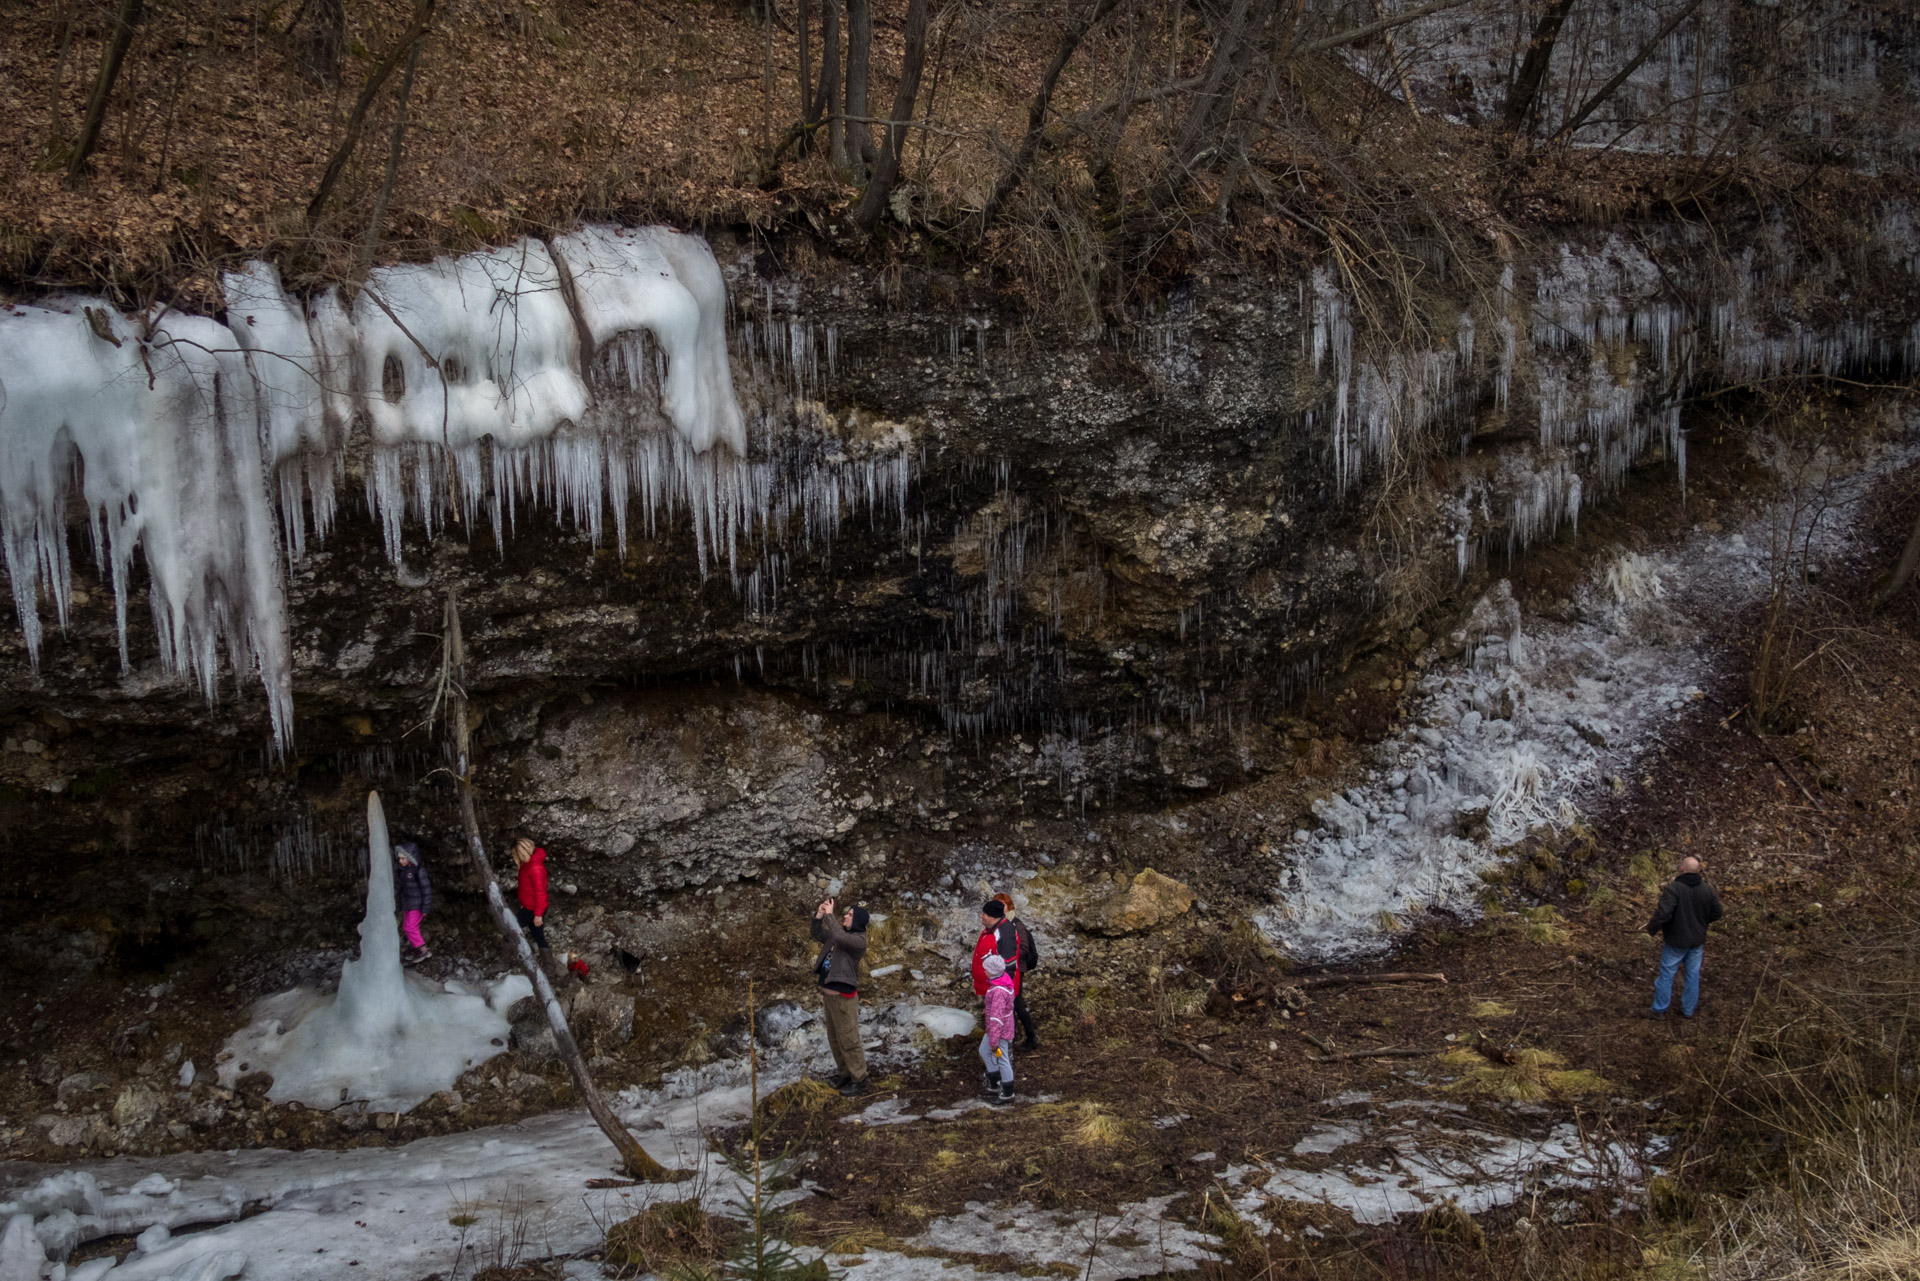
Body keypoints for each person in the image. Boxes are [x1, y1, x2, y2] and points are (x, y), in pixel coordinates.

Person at [1645, 855, 1724, 1019]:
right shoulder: (1708, 890)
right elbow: (1717, 913)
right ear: (1699, 871)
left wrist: (1652, 929)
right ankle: (1688, 1010)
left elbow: (1664, 913)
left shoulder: (1674, 889)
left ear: (1682, 869)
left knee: (1666, 975)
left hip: (1676, 941)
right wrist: (1702, 922)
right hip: (1696, 942)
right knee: (1692, 976)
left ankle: (1659, 1010)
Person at [811, 896, 870, 1097]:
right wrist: (820, 915)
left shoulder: (857, 940)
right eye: (846, 913)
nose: (846, 916)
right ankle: (845, 1074)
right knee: (835, 1039)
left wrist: (830, 915)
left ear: (858, 921)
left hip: (844, 999)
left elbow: (838, 934)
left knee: (849, 1039)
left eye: (850, 914)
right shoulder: (840, 934)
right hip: (830, 998)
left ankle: (860, 1078)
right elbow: (817, 932)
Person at [993, 892, 1041, 1051]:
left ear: (1009, 907)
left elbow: (1024, 948)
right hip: (1006, 969)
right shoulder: (1000, 924)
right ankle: (1017, 1037)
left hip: (1015, 970)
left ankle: (1029, 1036)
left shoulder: (1015, 924)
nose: (1000, 908)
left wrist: (1007, 959)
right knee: (1012, 1003)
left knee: (1016, 1003)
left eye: (1003, 905)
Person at [511, 838, 556, 975]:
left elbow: (540, 892)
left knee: (510, 928)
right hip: (530, 907)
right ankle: (550, 968)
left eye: (517, 854)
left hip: (533, 909)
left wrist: (538, 914)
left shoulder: (535, 867)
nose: (516, 858)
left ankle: (502, 962)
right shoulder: (529, 863)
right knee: (538, 935)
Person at [979, 953, 1017, 1105]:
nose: (984, 971)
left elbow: (996, 1018)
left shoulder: (998, 991)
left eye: (986, 969)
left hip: (999, 1033)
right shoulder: (1001, 984)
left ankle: (1007, 1091)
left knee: (1002, 1058)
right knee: (984, 1051)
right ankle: (994, 1081)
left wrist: (994, 1040)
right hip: (994, 1030)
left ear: (992, 971)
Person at [970, 900, 1020, 1005]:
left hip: (998, 990)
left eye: (984, 914)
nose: (981, 916)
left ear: (993, 917)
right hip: (990, 987)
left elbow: (1009, 965)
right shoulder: (992, 928)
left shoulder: (1004, 935)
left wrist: (1001, 992)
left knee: (998, 1016)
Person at [394, 840, 433, 963]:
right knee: (407, 927)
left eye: (403, 859)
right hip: (408, 905)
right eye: (399, 858)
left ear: (411, 858)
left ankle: (423, 950)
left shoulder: (419, 871)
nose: (400, 861)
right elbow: (399, 887)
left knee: (410, 927)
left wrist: (425, 907)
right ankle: (416, 948)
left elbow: (426, 889)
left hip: (417, 905)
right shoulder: (402, 871)